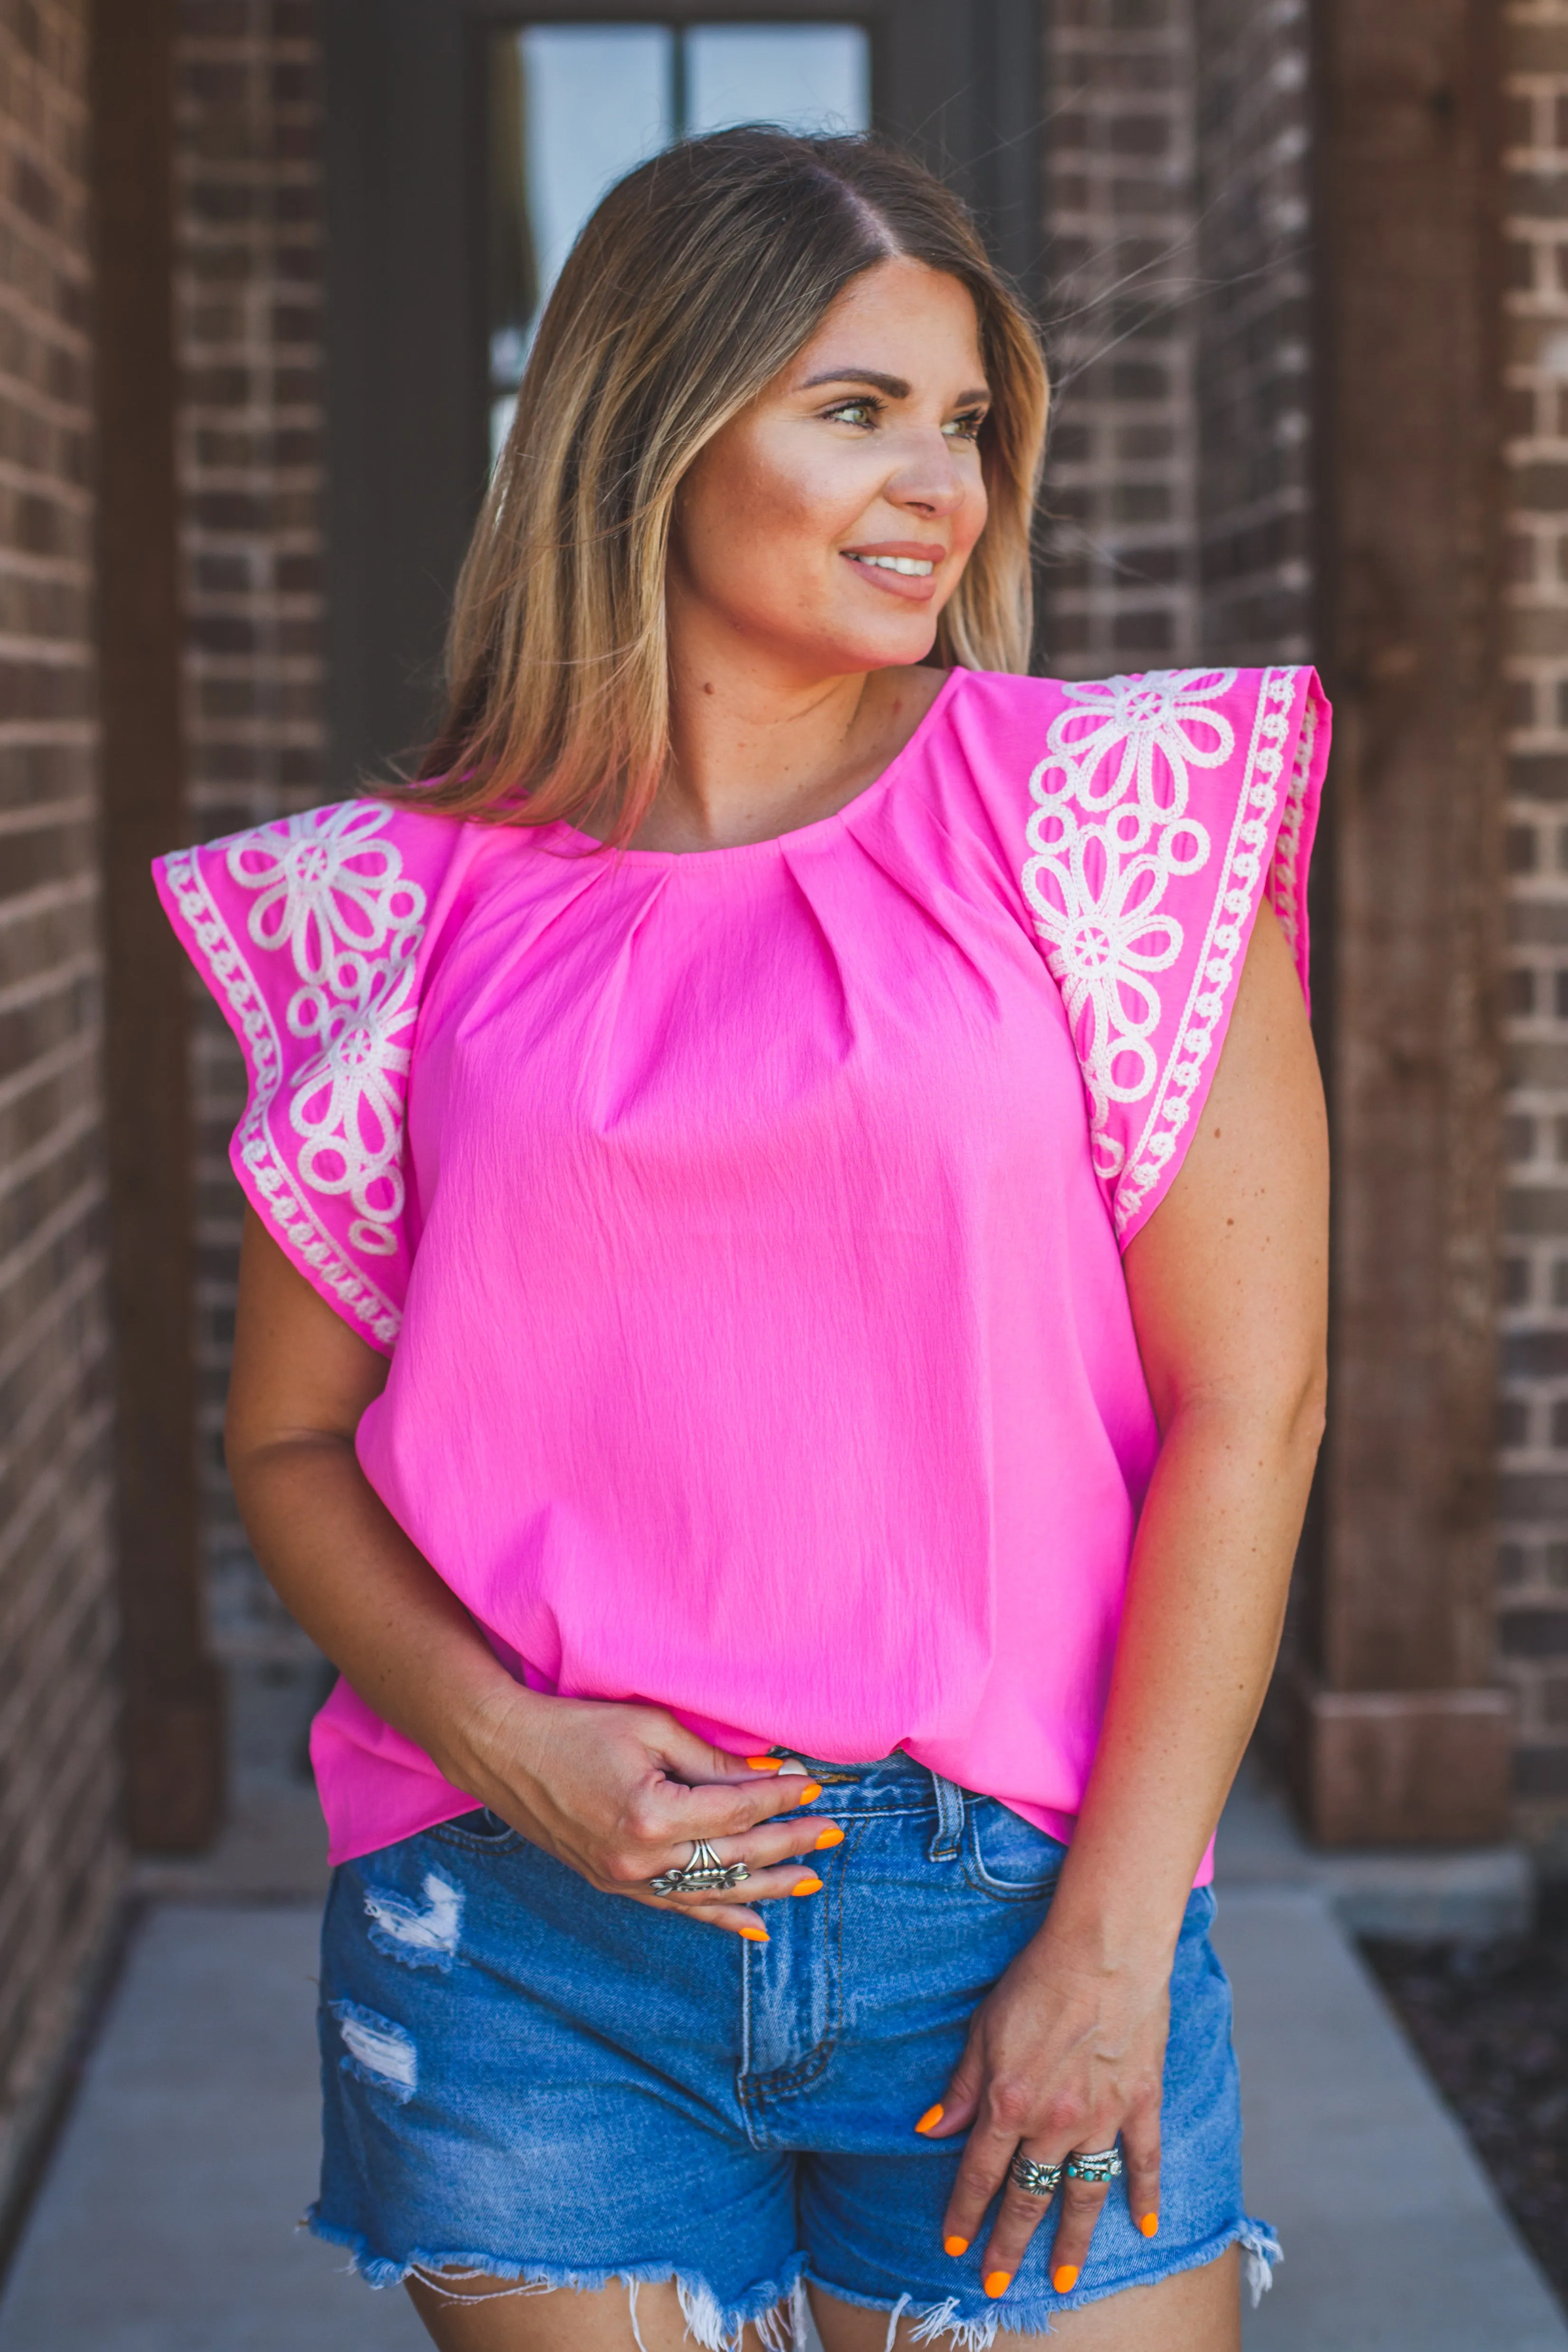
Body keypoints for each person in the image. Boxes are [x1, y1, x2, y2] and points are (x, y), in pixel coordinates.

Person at [156, 128, 1329, 2352]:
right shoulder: (403, 909)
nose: (941, 488)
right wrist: (508, 1740)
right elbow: (291, 1448)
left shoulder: (1110, 820)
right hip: (524, 1936)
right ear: (653, 429)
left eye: (968, 421)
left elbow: (1251, 1410)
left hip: (1007, 1912)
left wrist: (1111, 1940)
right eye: (859, 409)